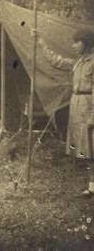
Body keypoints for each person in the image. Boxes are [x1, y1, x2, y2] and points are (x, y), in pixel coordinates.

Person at [37, 30, 94, 197]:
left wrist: (93, 115)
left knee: (92, 145)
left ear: (86, 43)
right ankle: (92, 185)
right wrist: (41, 43)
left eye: (77, 42)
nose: (73, 45)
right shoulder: (78, 62)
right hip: (77, 105)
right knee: (86, 148)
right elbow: (57, 61)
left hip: (89, 105)